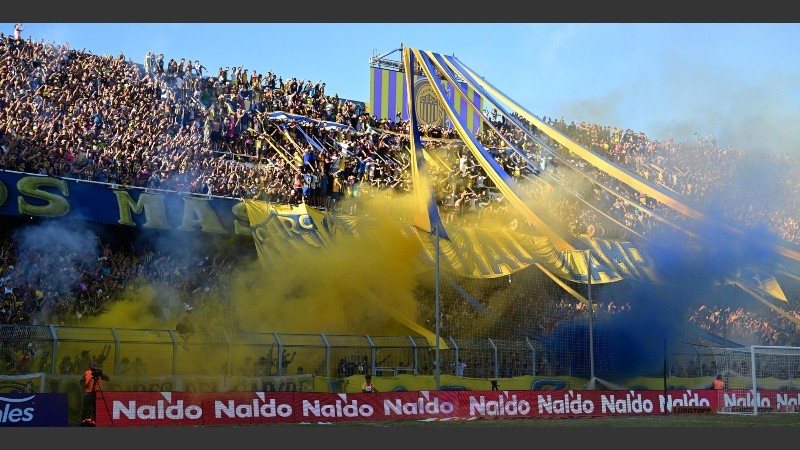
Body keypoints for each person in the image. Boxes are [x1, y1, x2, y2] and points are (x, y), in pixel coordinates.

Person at [80, 361, 109, 427]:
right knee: (86, 409)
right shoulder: (87, 372)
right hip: (88, 393)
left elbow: (108, 378)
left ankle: (95, 422)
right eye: (92, 366)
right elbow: (81, 381)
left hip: (97, 393)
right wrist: (84, 386)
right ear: (90, 367)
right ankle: (84, 423)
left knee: (96, 409)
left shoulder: (99, 373)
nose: (93, 369)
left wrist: (101, 374)